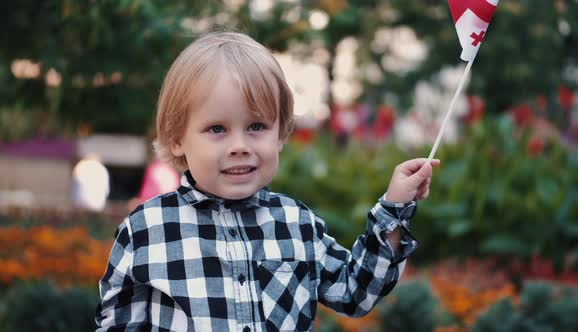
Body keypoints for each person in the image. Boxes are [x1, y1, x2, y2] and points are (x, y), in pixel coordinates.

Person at [95, 31, 440, 331]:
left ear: (280, 133)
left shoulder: (296, 224)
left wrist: (394, 207)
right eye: (217, 129)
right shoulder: (148, 230)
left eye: (256, 127)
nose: (240, 146)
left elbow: (356, 292)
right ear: (177, 139)